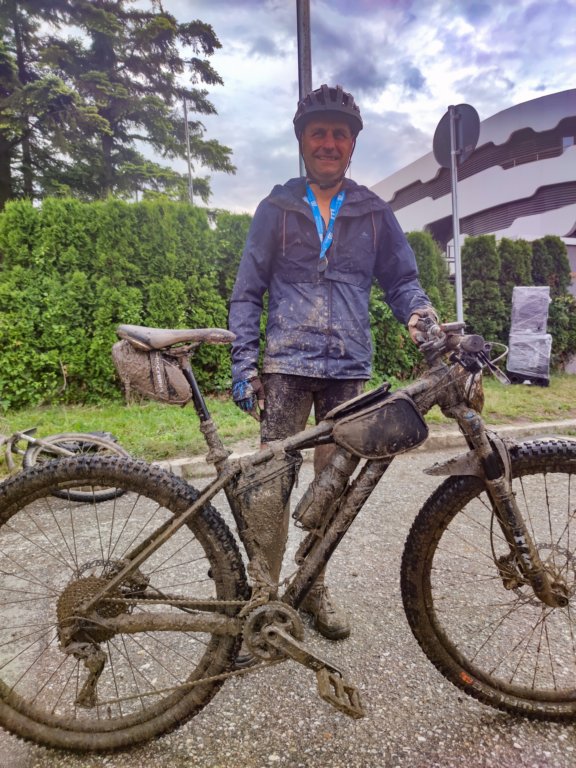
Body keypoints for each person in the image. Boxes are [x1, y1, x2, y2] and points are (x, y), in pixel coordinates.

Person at [228, 83, 436, 641]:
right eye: (318, 133)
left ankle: (312, 588)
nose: (328, 142)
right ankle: (261, 598)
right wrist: (243, 365)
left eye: (338, 134)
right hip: (286, 368)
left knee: (333, 489)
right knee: (270, 488)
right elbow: (247, 292)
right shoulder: (276, 209)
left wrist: (422, 319)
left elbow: (402, 282)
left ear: (352, 144)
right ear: (302, 142)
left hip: (347, 372)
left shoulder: (373, 212)